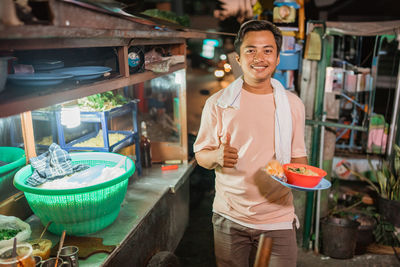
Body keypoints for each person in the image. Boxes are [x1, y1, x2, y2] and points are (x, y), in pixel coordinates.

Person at [193, 20, 308, 267]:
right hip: (230, 216)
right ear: (237, 57)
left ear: (278, 58)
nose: (259, 57)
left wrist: (304, 176)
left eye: (268, 50)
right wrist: (216, 157)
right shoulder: (218, 103)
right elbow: (201, 155)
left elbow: (299, 159)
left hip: (277, 217)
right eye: (250, 50)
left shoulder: (293, 106)